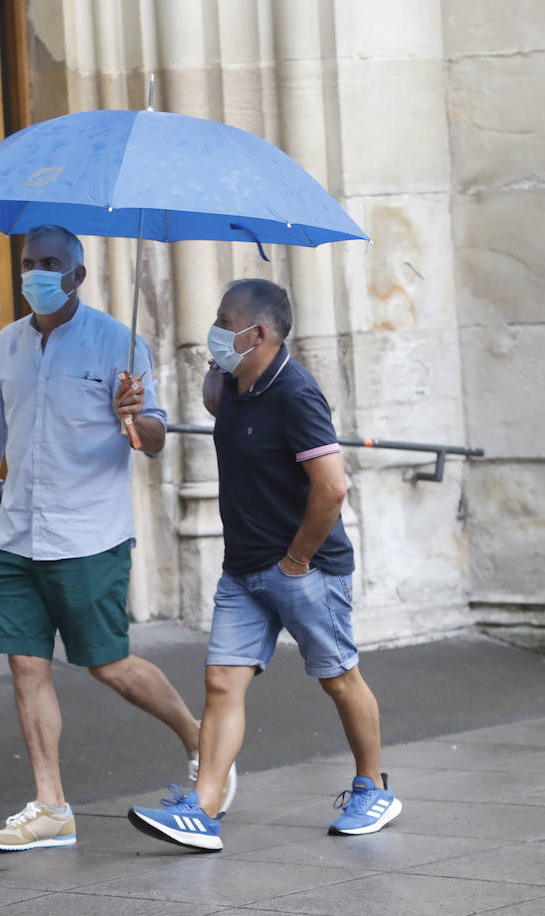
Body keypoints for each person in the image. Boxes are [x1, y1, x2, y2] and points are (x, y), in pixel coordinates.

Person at [0, 224, 235, 852]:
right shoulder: (7, 345)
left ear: (77, 274)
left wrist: (132, 415)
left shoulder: (119, 342)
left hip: (89, 536)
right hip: (17, 533)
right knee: (26, 663)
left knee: (107, 663)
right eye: (28, 263)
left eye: (50, 263)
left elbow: (154, 441)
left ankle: (197, 737)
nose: (36, 274)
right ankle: (51, 806)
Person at [128, 278, 400, 851]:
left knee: (338, 676)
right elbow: (213, 403)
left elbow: (331, 489)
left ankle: (373, 787)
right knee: (222, 679)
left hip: (305, 567)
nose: (215, 330)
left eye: (226, 322)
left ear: (260, 333)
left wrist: (298, 560)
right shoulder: (233, 385)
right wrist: (141, 397)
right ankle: (202, 808)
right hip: (243, 567)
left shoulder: (296, 395)